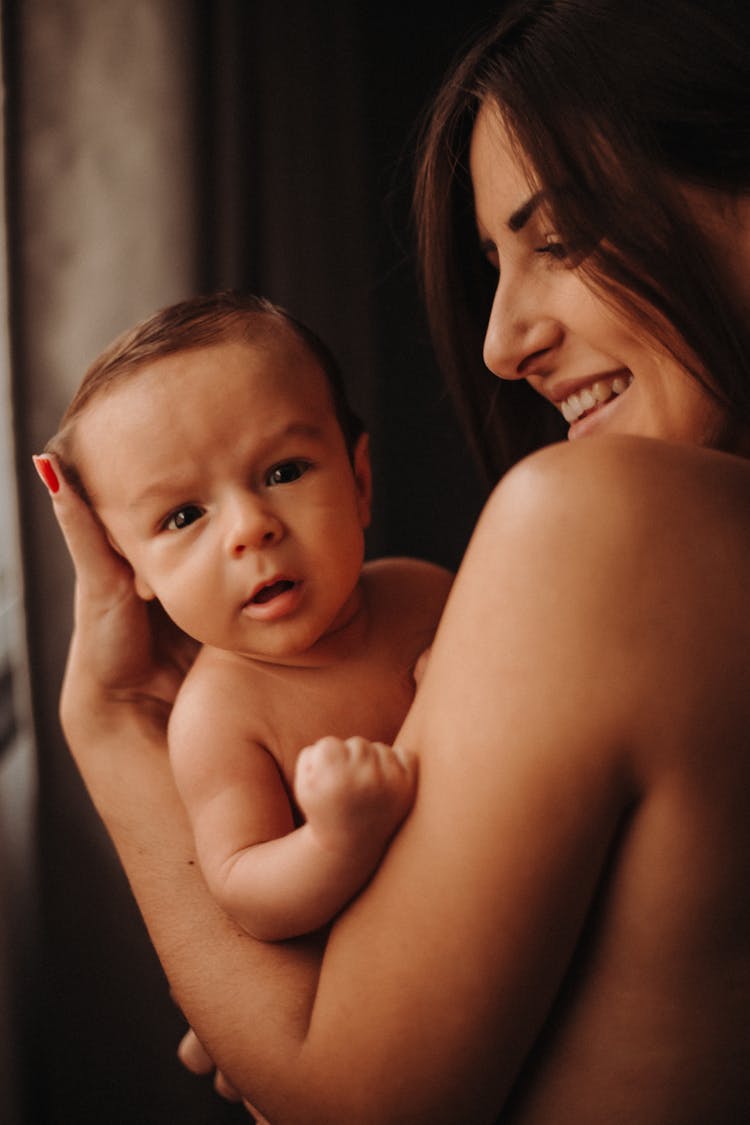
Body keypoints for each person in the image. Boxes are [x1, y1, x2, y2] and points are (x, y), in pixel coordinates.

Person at [33, 1, 750, 1121]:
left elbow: (346, 1104)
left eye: (556, 239)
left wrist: (115, 727)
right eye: (493, 263)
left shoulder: (596, 522)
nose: (501, 343)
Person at [40, 291, 451, 945]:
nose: (250, 527)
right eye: (182, 516)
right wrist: (334, 839)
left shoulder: (425, 592)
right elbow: (245, 889)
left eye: (283, 471)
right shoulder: (220, 715)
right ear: (134, 571)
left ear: (360, 481)